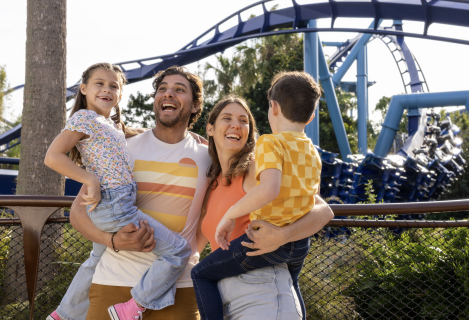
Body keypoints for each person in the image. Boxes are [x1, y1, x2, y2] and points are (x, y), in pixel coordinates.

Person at [68, 66, 332, 320]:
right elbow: (79, 212)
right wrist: (112, 241)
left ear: (195, 105)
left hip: (179, 287)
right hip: (114, 280)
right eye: (163, 88)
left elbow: (320, 208)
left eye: (179, 89)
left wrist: (283, 235)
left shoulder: (222, 161)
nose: (169, 93)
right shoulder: (125, 147)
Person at [44, 63, 191, 320]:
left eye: (114, 86)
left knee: (95, 260)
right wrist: (89, 179)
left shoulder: (109, 126)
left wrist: (192, 137)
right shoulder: (84, 118)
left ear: (120, 95)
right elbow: (52, 157)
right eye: (99, 84)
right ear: (84, 89)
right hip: (115, 206)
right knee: (177, 250)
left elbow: (130, 135)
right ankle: (131, 307)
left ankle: (64, 315)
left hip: (111, 205)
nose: (107, 89)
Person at [191, 71, 325, 320]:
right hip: (230, 298)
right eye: (227, 118)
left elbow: (324, 210)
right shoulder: (212, 183)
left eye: (243, 120)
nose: (235, 125)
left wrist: (283, 235)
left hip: (262, 295)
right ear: (210, 128)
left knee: (200, 273)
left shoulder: (258, 165)